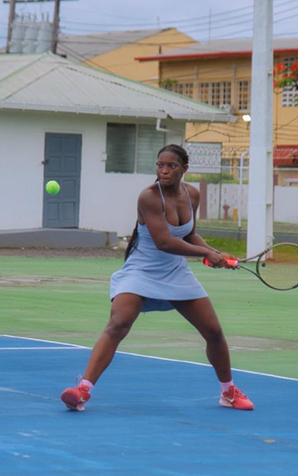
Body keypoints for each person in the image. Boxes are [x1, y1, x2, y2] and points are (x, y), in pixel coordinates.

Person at [61, 144, 254, 412]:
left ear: (184, 169)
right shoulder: (149, 197)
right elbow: (164, 242)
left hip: (175, 271)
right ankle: (83, 390)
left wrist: (214, 253)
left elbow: (187, 236)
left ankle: (228, 391)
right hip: (141, 270)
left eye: (171, 166)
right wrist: (206, 254)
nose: (163, 171)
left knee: (214, 332)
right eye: (160, 165)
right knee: (118, 324)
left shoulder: (192, 195)